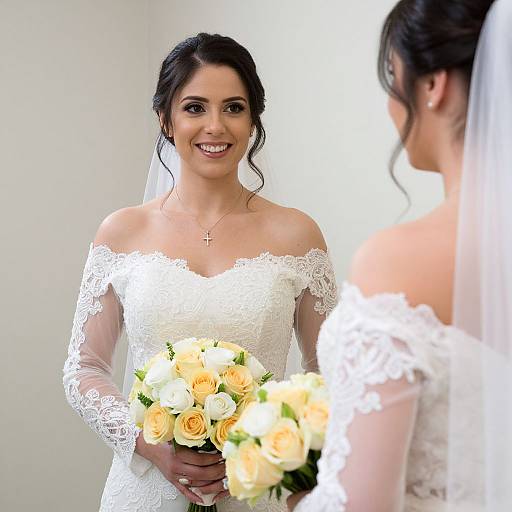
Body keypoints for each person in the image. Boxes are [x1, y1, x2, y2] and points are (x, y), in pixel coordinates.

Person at [63, 33, 337, 512]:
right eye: (194, 107)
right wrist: (145, 443)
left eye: (234, 107)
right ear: (166, 119)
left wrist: (270, 449)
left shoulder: (298, 234)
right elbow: (84, 368)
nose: (215, 126)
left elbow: (329, 372)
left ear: (253, 120)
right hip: (143, 490)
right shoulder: (122, 231)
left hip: (257, 491)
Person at [288, 0, 512, 510]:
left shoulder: (397, 262)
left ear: (433, 85)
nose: (389, 100)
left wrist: (297, 502)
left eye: (393, 74)